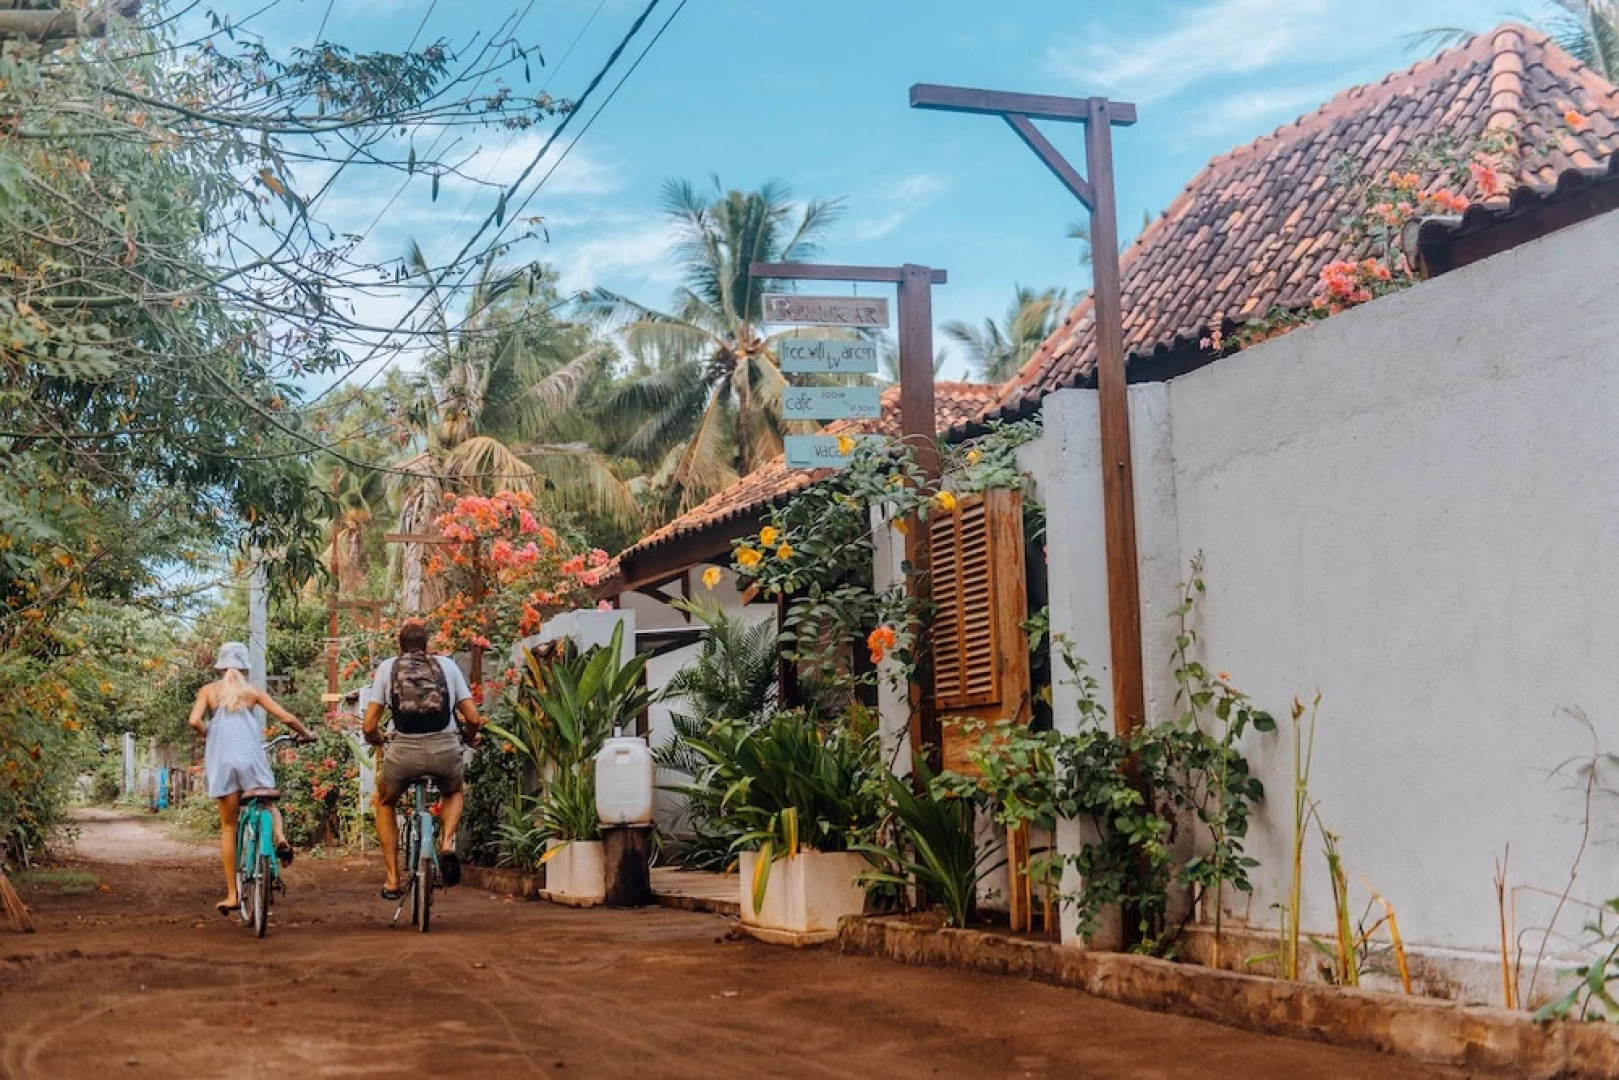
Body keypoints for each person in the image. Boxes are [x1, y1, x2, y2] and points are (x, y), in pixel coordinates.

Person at [188, 641, 315, 916]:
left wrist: (210, 733)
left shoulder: (209, 692)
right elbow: (286, 717)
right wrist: (306, 733)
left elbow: (194, 720)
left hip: (222, 761)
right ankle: (279, 836)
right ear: (245, 666)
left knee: (228, 827)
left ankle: (233, 895)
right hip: (251, 761)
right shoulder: (253, 692)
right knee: (268, 804)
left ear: (220, 666)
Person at [361, 619, 484, 899]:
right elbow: (474, 718)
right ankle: (448, 842)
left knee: (385, 802)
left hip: (403, 751)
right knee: (453, 791)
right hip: (444, 750)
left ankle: (392, 879)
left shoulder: (388, 668)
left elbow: (369, 726)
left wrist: (378, 740)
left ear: (399, 645)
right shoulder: (447, 667)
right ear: (427, 645)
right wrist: (467, 736)